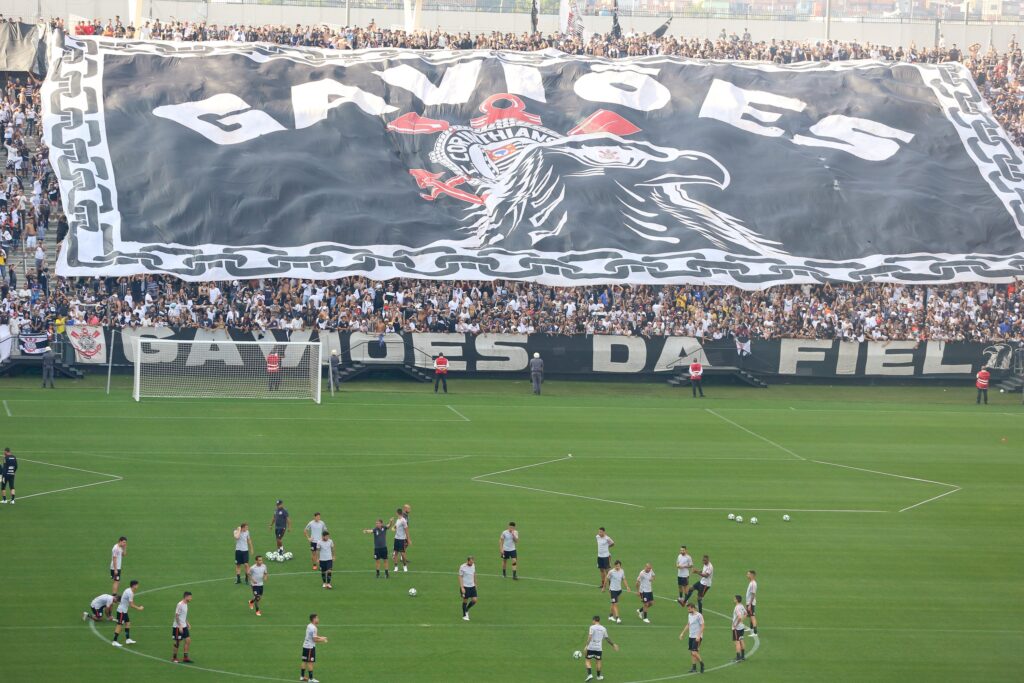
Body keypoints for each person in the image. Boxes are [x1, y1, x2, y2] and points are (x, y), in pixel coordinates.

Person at [582, 615, 618, 682]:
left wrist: (586, 646)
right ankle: (598, 676)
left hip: (591, 647)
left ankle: (590, 674)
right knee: (598, 662)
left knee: (587, 660)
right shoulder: (603, 628)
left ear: (594, 620)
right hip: (598, 648)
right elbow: (607, 638)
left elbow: (590, 637)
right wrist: (613, 644)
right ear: (599, 620)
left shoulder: (592, 627)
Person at [112, 579, 143, 647]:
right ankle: (114, 641)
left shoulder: (129, 590)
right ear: (134, 585)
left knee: (128, 623)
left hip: (124, 611)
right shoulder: (130, 593)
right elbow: (131, 605)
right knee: (119, 625)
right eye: (137, 585)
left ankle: (128, 639)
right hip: (121, 611)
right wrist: (139, 608)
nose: (138, 586)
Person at [300, 613, 328, 683]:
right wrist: (323, 640)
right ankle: (311, 679)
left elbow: (314, 636)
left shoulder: (309, 625)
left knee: (304, 661)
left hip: (305, 646)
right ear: (314, 619)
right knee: (310, 663)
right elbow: (314, 640)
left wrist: (321, 637)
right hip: (310, 647)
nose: (318, 619)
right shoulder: (314, 628)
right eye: (317, 618)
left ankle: (302, 677)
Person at [680, 602, 705, 674]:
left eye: (689, 609)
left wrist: (698, 636)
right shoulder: (689, 615)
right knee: (692, 652)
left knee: (694, 652)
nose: (688, 610)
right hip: (691, 636)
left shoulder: (699, 616)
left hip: (697, 637)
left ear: (693, 608)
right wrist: (682, 633)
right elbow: (688, 624)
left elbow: (703, 626)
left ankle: (702, 663)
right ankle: (694, 668)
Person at [172, 591, 193, 664]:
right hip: (178, 627)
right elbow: (177, 615)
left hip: (184, 626)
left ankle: (185, 657)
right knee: (178, 642)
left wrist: (187, 623)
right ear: (186, 597)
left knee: (188, 640)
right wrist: (180, 626)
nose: (191, 598)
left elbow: (183, 616)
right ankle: (174, 658)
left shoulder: (186, 604)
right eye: (190, 597)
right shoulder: (180, 604)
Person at [459, 556, 478, 621]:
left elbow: (474, 574)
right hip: (465, 586)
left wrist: (475, 584)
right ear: (468, 561)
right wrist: (462, 587)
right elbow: (460, 577)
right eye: (471, 562)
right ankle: (464, 615)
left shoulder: (473, 565)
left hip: (472, 586)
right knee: (465, 600)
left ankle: (467, 609)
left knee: (475, 600)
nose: (472, 563)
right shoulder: (462, 567)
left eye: (473, 562)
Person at [392, 507, 410, 572]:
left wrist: (408, 539)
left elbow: (406, 530)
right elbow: (395, 527)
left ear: (397, 513)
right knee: (395, 553)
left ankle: (405, 566)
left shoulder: (403, 520)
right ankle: (396, 566)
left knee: (402, 553)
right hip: (396, 538)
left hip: (402, 539)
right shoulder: (398, 520)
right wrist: (394, 527)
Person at [731, 594, 747, 662]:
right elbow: (746, 614)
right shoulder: (742, 606)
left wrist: (736, 625)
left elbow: (739, 617)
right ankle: (743, 656)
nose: (733, 599)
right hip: (742, 627)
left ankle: (738, 658)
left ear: (737, 600)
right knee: (741, 640)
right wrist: (741, 622)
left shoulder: (737, 607)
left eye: (734, 598)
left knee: (737, 642)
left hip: (737, 628)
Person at [745, 570, 758, 636]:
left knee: (752, 616)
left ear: (752, 575)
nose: (747, 575)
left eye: (748, 574)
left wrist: (750, 604)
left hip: (751, 603)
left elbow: (753, 594)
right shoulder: (751, 583)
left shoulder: (753, 584)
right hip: (749, 602)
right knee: (750, 615)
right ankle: (751, 628)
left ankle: (755, 632)